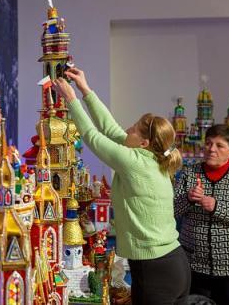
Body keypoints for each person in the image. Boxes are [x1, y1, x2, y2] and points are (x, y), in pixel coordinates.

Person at [53, 68, 190, 304]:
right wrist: (85, 90)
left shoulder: (135, 163)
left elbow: (93, 137)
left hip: (155, 269)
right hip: (172, 264)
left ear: (144, 143)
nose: (127, 130)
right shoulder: (151, 158)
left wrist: (71, 99)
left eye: (134, 129)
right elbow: (110, 129)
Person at [174, 124, 229, 305]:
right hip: (196, 264)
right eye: (208, 143)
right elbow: (172, 210)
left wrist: (217, 206)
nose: (211, 149)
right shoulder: (190, 173)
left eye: (219, 145)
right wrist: (188, 199)